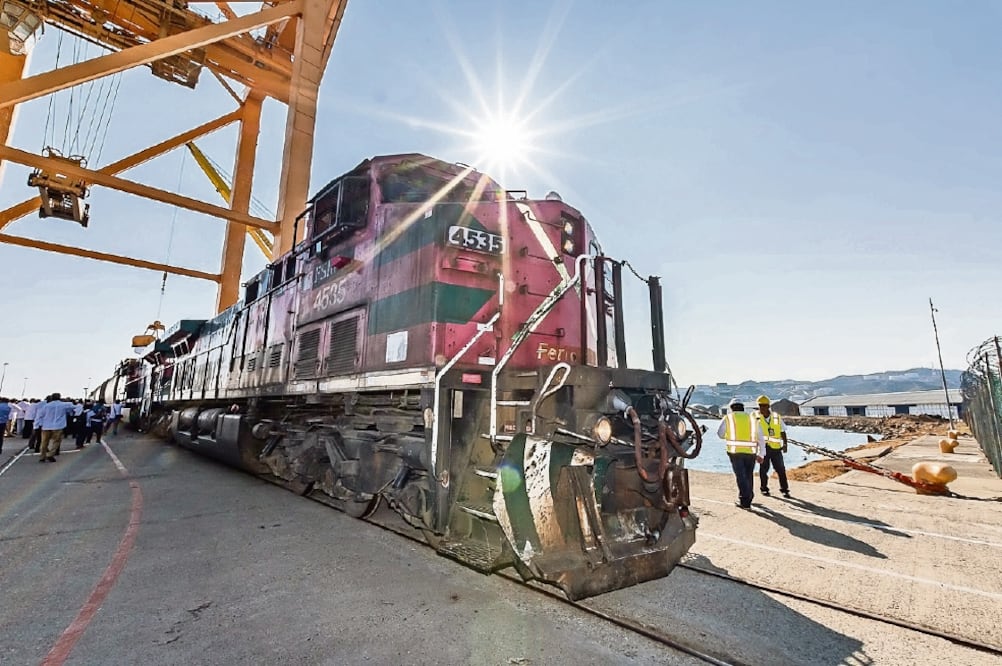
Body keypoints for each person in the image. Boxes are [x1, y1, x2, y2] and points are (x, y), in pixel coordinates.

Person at [717, 398, 765, 509]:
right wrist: (762, 453)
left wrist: (728, 435)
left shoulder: (728, 418)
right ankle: (749, 496)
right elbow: (761, 437)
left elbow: (720, 434)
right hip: (751, 452)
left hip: (735, 452)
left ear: (731, 408)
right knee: (748, 475)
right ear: (743, 408)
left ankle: (745, 501)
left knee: (741, 476)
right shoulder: (752, 419)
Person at [754, 395, 790, 498]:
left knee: (781, 469)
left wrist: (785, 444)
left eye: (764, 406)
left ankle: (784, 489)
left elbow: (782, 431)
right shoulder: (754, 417)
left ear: (768, 406)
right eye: (760, 406)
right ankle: (764, 489)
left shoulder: (776, 417)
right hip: (763, 448)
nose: (761, 408)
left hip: (776, 448)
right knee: (763, 469)